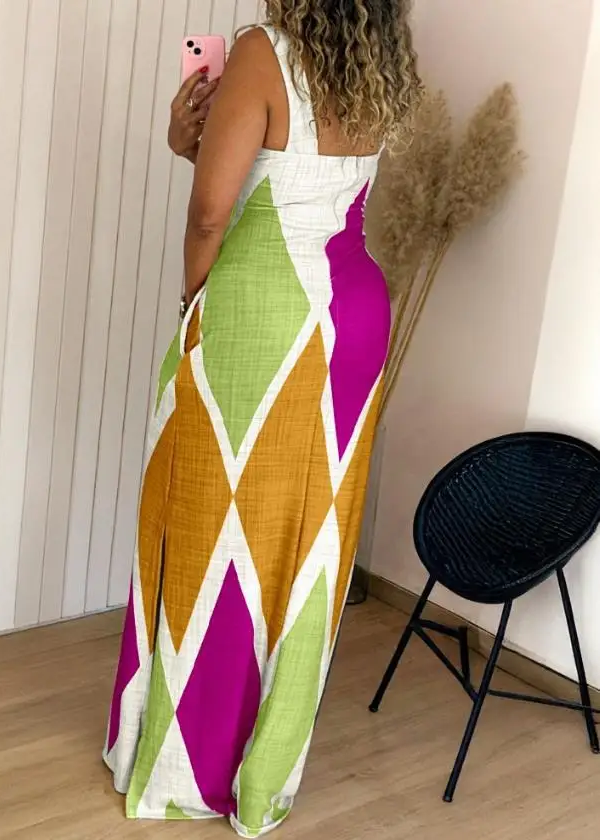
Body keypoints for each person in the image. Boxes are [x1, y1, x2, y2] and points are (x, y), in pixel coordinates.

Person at [104, 1, 421, 836]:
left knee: (209, 527)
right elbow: (299, 182)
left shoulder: (263, 50)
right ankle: (265, 769)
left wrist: (191, 305)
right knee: (304, 546)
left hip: (264, 312)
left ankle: (185, 764)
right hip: (351, 314)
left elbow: (214, 213)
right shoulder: (379, 63)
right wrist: (193, 143)